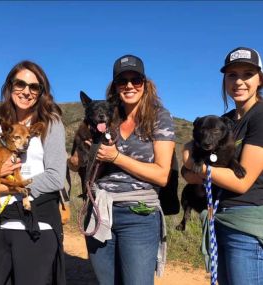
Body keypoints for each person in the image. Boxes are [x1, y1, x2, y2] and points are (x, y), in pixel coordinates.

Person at [69, 54, 176, 285]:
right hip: (99, 209)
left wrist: (116, 157)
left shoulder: (159, 117)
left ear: (144, 84)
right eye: (122, 81)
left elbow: (162, 175)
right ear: (115, 86)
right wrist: (76, 159)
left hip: (138, 212)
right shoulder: (105, 114)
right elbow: (76, 160)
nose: (129, 85)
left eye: (135, 80)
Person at [0, 60, 67, 285]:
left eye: (34, 87)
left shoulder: (51, 124)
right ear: (10, 87)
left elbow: (55, 176)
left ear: (41, 92)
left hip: (34, 226)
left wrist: (3, 186)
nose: (26, 91)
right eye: (20, 84)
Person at [182, 47, 263, 285]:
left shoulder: (260, 116)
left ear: (260, 79)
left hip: (246, 225)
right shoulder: (227, 120)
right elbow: (191, 161)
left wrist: (194, 165)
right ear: (225, 80)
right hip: (221, 218)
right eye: (232, 75)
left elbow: (242, 182)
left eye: (247, 74)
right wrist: (191, 162)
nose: (239, 81)